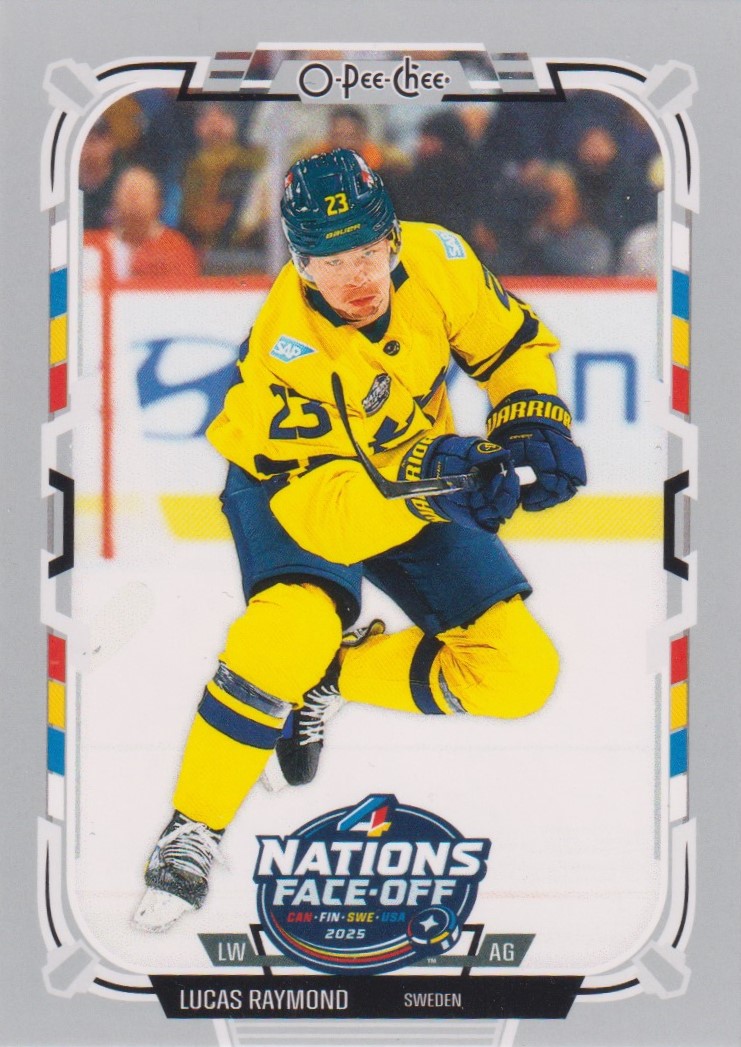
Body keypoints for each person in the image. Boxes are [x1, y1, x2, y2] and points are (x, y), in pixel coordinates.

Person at [133, 148, 586, 932]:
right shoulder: (290, 347)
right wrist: (443, 474)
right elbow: (333, 517)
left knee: (518, 672)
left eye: (369, 252)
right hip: (294, 488)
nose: (357, 278)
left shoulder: (439, 257)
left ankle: (330, 677)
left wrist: (530, 417)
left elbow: (511, 346)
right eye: (332, 262)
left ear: (394, 239)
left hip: (418, 476)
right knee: (291, 628)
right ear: (299, 263)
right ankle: (192, 827)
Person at [85, 166, 200, 281]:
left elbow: (184, 289)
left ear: (158, 203)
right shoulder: (92, 245)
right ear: (114, 201)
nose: (133, 200)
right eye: (128, 192)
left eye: (141, 193)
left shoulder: (176, 248)